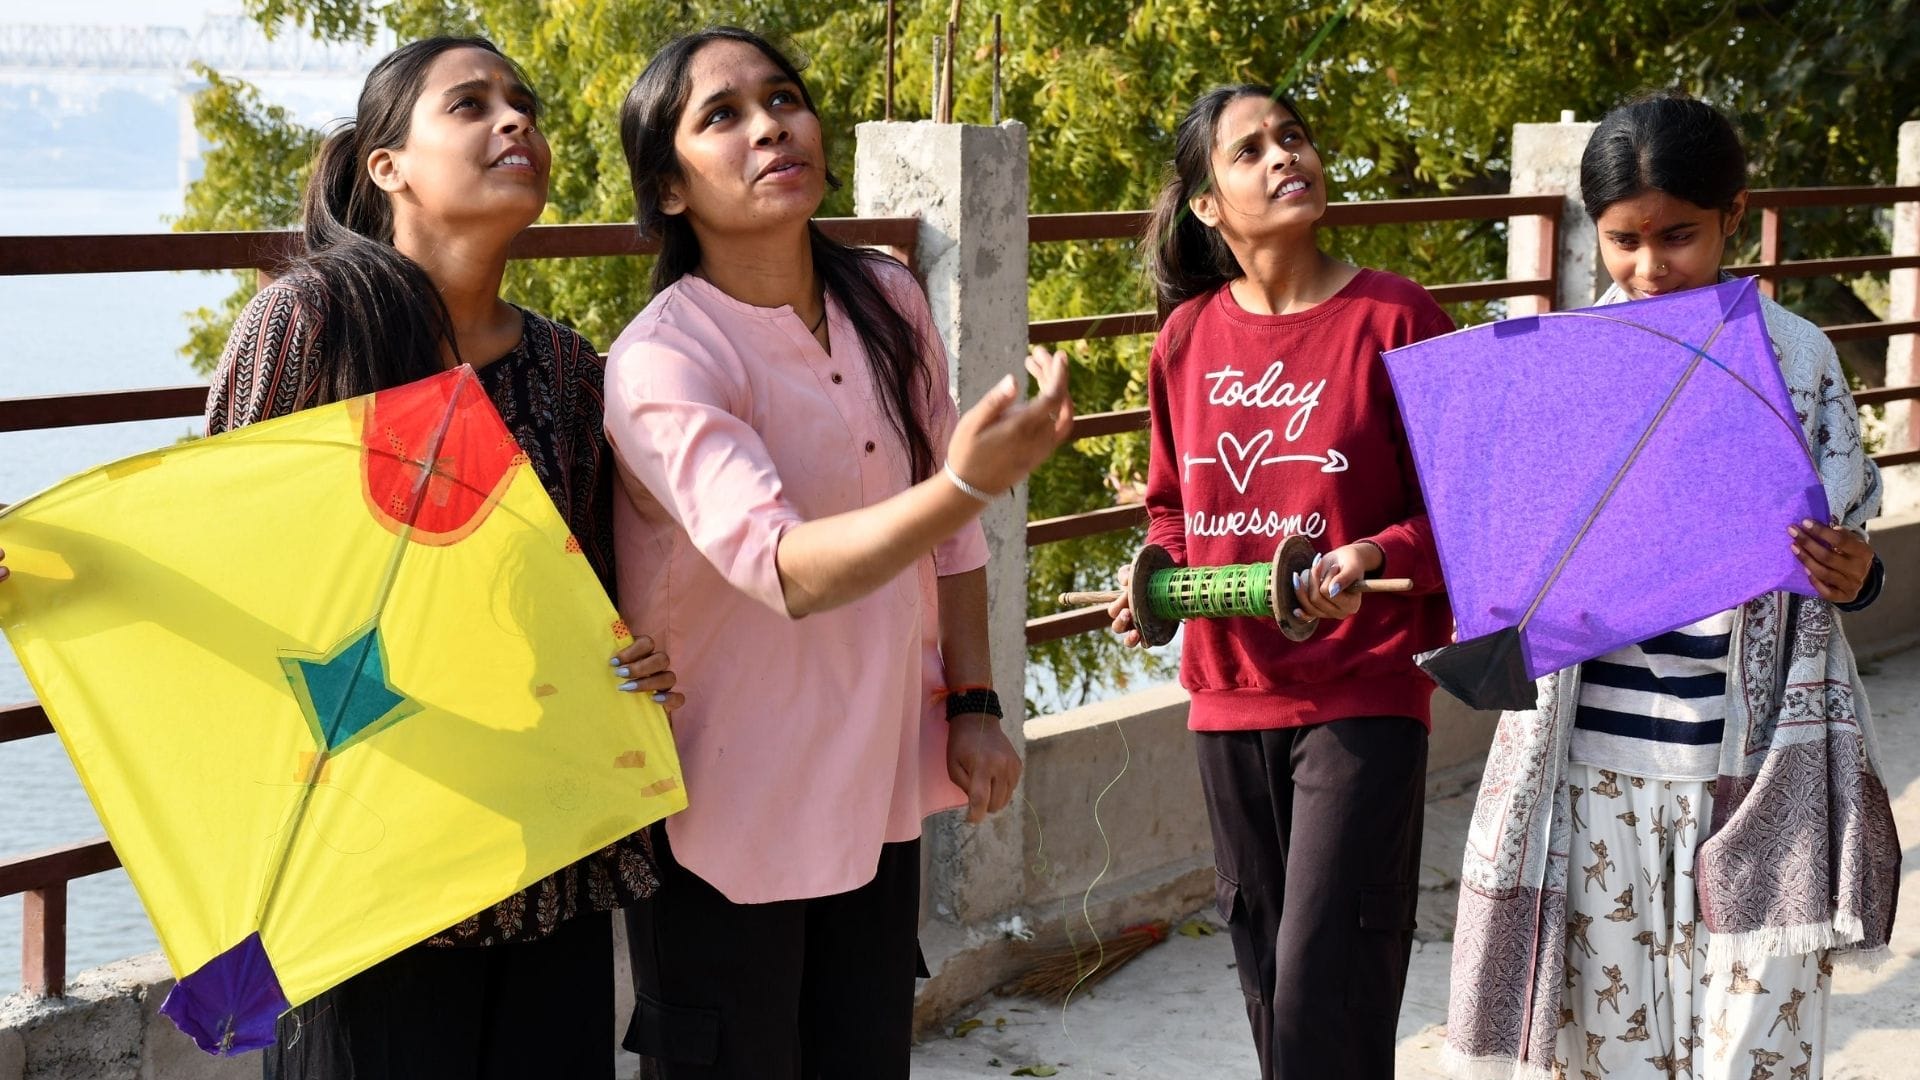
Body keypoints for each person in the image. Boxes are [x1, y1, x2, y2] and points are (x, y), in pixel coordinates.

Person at [202, 36, 679, 1080]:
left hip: (545, 867)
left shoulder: (563, 365)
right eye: (470, 106)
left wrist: (637, 658)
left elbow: (585, 590)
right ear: (389, 167)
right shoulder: (309, 324)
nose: (515, 123)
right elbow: (214, 548)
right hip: (370, 886)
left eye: (525, 104)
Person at [603, 26, 1071, 1079]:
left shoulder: (886, 298)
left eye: (784, 98)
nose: (770, 125)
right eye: (721, 116)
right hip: (720, 806)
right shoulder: (663, 360)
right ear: (670, 190)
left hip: (873, 787)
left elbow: (952, 535)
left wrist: (975, 703)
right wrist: (963, 479)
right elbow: (781, 569)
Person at [1443, 93, 1898, 1080]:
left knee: (1752, 1050)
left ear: (1735, 214)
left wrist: (1856, 575)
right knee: (1611, 1050)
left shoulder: (1801, 358)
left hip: (1755, 772)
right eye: (1624, 241)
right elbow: (1509, 570)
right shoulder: (1556, 368)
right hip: (1594, 768)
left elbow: (1850, 548)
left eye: (1679, 236)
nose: (1651, 267)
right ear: (1592, 234)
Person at [1107, 84, 1453, 1079]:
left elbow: (1468, 511)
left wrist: (1373, 555)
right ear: (1207, 204)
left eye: (1292, 137)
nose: (1282, 157)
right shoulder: (1184, 341)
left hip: (1364, 691)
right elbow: (1170, 506)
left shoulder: (1398, 318)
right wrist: (1160, 581)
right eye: (1249, 150)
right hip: (1227, 695)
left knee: (1322, 981)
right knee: (1270, 987)